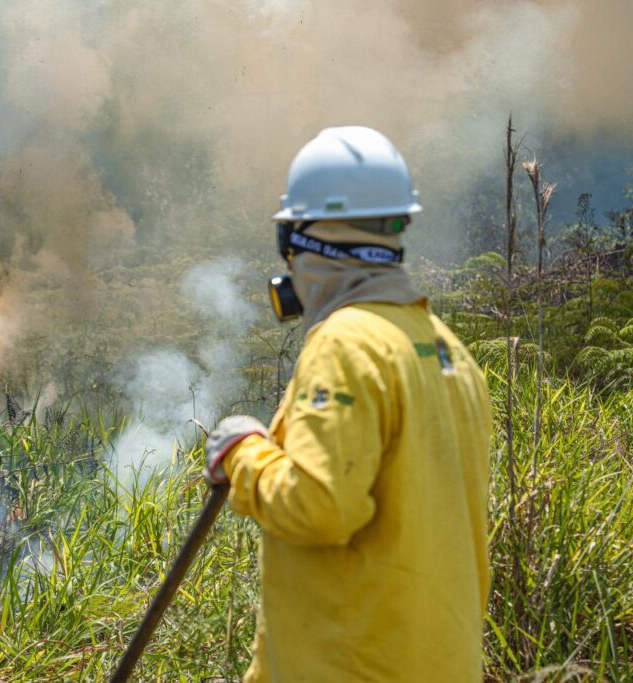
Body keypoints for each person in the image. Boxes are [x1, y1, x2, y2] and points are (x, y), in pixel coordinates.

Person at [205, 126, 493, 682]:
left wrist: (243, 455)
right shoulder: (446, 349)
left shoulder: (346, 343)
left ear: (303, 242)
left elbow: (319, 506)